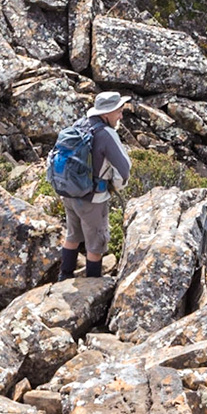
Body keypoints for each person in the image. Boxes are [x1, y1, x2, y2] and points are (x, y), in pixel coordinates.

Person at [55, 91, 134, 280]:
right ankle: (92, 284)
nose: (121, 116)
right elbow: (124, 169)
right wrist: (115, 185)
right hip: (93, 199)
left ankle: (64, 276)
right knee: (95, 244)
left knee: (73, 235)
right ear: (107, 113)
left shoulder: (79, 125)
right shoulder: (106, 134)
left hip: (69, 193)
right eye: (119, 111)